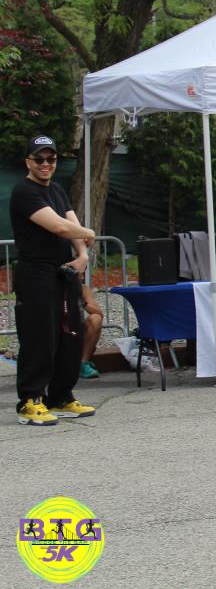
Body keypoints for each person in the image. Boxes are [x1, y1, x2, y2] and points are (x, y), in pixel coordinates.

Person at [11, 135, 97, 425]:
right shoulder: (24, 192)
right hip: (36, 274)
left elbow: (72, 224)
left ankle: (60, 397)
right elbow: (60, 226)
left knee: (70, 336)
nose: (45, 164)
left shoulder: (57, 190)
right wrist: (89, 233)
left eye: (51, 159)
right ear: (28, 162)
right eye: (39, 159)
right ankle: (30, 400)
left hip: (64, 272)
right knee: (40, 338)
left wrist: (82, 255)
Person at [79, 282, 104, 379]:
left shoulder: (82, 288)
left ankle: (83, 363)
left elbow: (99, 313)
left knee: (95, 319)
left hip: (76, 330)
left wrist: (82, 302)